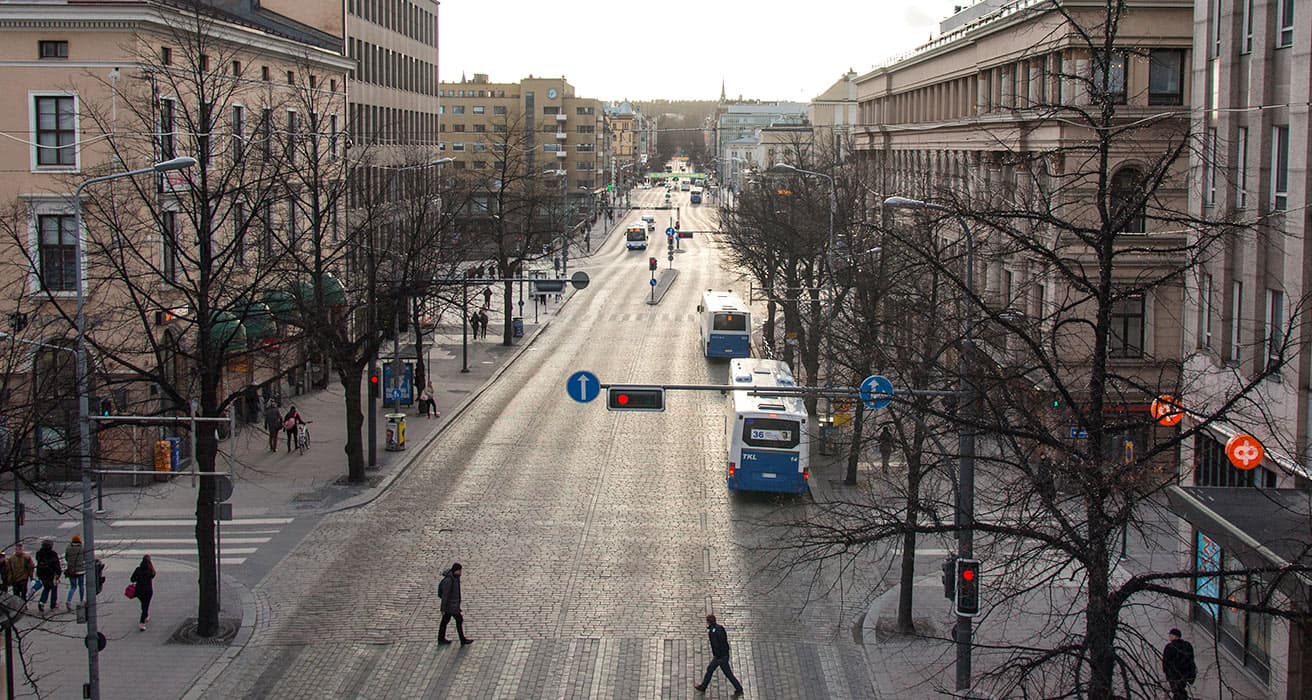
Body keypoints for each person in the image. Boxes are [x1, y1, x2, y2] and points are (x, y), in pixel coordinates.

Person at [695, 614, 743, 695]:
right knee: (710, 669)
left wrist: (717, 656)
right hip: (724, 654)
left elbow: (715, 645)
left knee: (727, 673)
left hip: (720, 657)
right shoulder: (720, 627)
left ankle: (738, 688)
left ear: (708, 622)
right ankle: (703, 686)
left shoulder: (712, 632)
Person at [437, 563, 473, 646]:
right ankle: (462, 639)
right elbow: (445, 595)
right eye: (459, 571)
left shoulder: (455, 578)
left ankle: (441, 638)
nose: (461, 572)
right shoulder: (449, 580)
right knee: (458, 620)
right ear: (456, 570)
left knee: (445, 622)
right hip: (451, 607)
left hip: (453, 606)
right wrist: (442, 608)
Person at [1162, 628, 1196, 700]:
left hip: (1174, 674)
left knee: (1177, 691)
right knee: (1179, 690)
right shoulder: (1187, 646)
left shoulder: (1170, 647)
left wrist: (1167, 673)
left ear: (1175, 636)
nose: (1170, 637)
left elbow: (1166, 662)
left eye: (1171, 635)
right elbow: (1191, 660)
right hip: (1185, 674)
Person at [34, 539, 61, 613]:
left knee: (46, 588)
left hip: (42, 574)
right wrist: (58, 574)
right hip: (51, 574)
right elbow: (56, 565)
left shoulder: (39, 553)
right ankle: (53, 605)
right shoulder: (53, 554)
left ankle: (42, 602)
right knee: (54, 589)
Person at [130, 555, 155, 631]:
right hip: (148, 591)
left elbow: (132, 579)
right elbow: (153, 575)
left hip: (139, 591)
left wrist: (138, 579)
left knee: (143, 605)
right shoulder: (151, 570)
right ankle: (142, 622)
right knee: (145, 606)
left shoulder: (138, 570)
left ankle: (146, 616)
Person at [65, 535, 85, 607]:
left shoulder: (68, 548)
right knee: (81, 585)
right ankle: (81, 600)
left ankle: (68, 600)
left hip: (71, 570)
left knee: (73, 586)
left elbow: (66, 558)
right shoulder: (82, 548)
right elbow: (85, 558)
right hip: (80, 570)